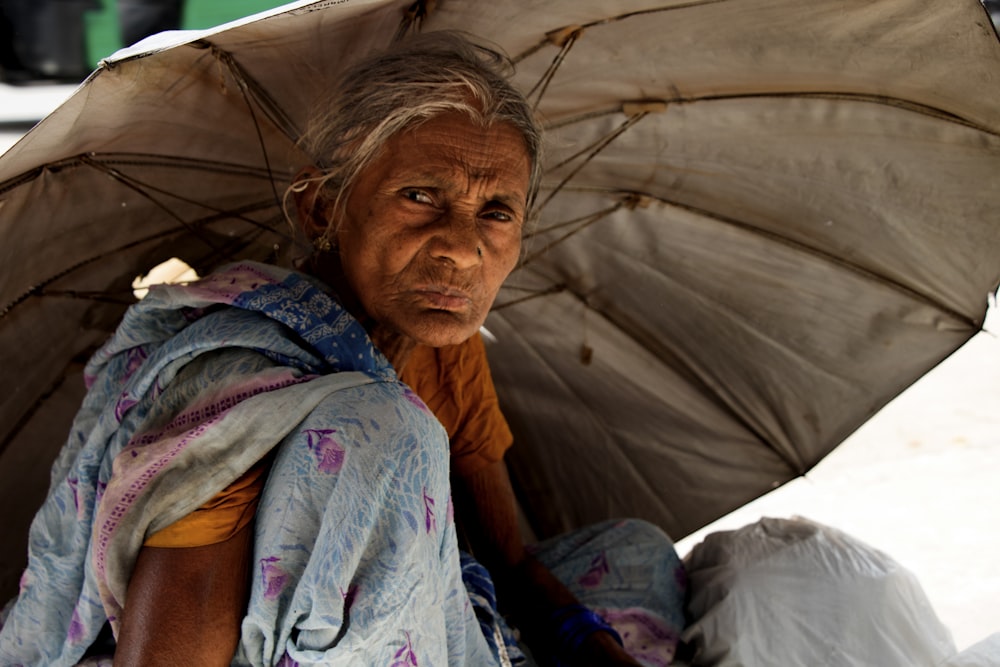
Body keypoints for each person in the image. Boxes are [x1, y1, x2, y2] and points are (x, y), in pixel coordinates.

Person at [0, 32, 685, 666]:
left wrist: (591, 649)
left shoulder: (447, 346)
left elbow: (506, 558)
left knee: (638, 555)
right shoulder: (241, 374)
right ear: (322, 208)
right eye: (420, 196)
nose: (462, 247)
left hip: (398, 621)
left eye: (496, 212)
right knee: (386, 430)